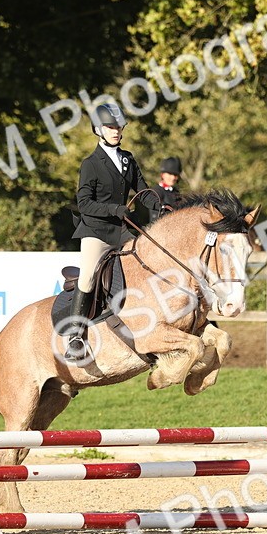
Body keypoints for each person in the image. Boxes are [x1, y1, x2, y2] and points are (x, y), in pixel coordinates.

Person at [64, 102, 154, 361]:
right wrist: (114, 210)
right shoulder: (90, 163)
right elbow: (84, 204)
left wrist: (162, 204)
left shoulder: (128, 159)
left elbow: (143, 191)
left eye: (119, 126)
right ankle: (76, 336)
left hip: (121, 231)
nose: (116, 131)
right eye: (110, 127)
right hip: (96, 231)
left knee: (146, 261)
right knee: (88, 277)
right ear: (98, 129)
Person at [150, 156, 184, 222]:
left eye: (175, 175)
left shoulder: (176, 192)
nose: (173, 178)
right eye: (170, 174)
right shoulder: (156, 192)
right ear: (162, 175)